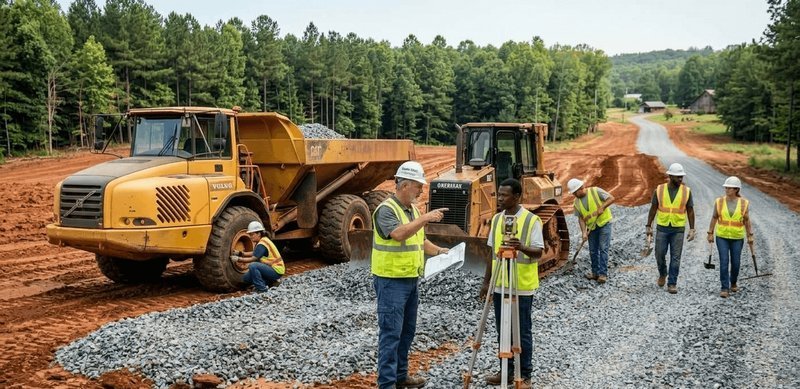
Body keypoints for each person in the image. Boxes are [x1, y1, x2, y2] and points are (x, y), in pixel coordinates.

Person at [371, 160, 450, 389]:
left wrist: (440, 251)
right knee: (391, 334)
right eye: (418, 186)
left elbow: (420, 240)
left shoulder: (412, 210)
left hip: (410, 280)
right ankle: (386, 384)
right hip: (390, 281)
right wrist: (425, 218)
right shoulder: (386, 210)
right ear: (404, 185)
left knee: (406, 332)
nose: (421, 190)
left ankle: (401, 377)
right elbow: (398, 234)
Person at [480, 178, 543, 389]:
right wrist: (486, 282)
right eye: (499, 194)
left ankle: (525, 375)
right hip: (500, 284)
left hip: (521, 286)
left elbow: (538, 251)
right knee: (502, 329)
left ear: (517, 196)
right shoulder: (497, 220)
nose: (500, 198)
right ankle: (505, 370)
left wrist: (522, 247)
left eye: (505, 195)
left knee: (521, 331)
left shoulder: (531, 220)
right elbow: (492, 254)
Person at [645, 162, 696, 294]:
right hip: (662, 227)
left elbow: (690, 211)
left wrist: (692, 229)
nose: (680, 179)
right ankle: (663, 273)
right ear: (670, 176)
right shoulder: (659, 190)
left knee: (676, 257)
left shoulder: (686, 191)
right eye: (677, 177)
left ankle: (672, 283)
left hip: (678, 229)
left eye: (681, 177)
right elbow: (653, 208)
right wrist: (649, 225)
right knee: (659, 254)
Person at [706, 176, 753, 298]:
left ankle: (733, 282)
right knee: (724, 261)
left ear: (736, 189)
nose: (726, 189)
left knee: (736, 262)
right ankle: (724, 287)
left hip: (737, 237)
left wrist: (750, 235)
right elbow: (714, 217)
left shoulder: (744, 203)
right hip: (722, 236)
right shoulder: (719, 201)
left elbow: (747, 220)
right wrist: (710, 232)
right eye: (726, 187)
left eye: (729, 188)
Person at [567, 178, 616, 284]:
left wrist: (602, 207)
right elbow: (580, 218)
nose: (574, 195)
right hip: (592, 228)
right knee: (593, 250)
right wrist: (584, 232)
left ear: (580, 189)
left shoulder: (595, 191)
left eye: (575, 193)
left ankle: (602, 274)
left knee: (603, 248)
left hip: (604, 224)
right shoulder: (576, 203)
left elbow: (611, 198)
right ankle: (595, 273)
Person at [231, 221, 284, 293]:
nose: (250, 236)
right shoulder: (261, 241)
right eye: (250, 234)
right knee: (246, 278)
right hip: (270, 268)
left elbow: (253, 258)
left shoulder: (262, 243)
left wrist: (239, 259)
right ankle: (272, 282)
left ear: (259, 234)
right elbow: (254, 253)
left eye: (252, 234)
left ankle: (262, 289)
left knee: (253, 265)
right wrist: (240, 253)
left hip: (276, 270)